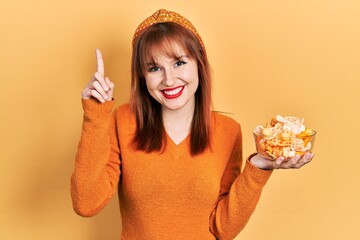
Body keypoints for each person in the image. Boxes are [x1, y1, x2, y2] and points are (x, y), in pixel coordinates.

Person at [71, 9, 314, 240]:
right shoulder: (122, 121)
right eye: (155, 68)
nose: (169, 79)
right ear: (143, 77)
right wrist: (96, 114)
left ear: (198, 62)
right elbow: (86, 203)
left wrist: (259, 165)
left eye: (179, 63)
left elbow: (223, 230)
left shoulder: (228, 131)